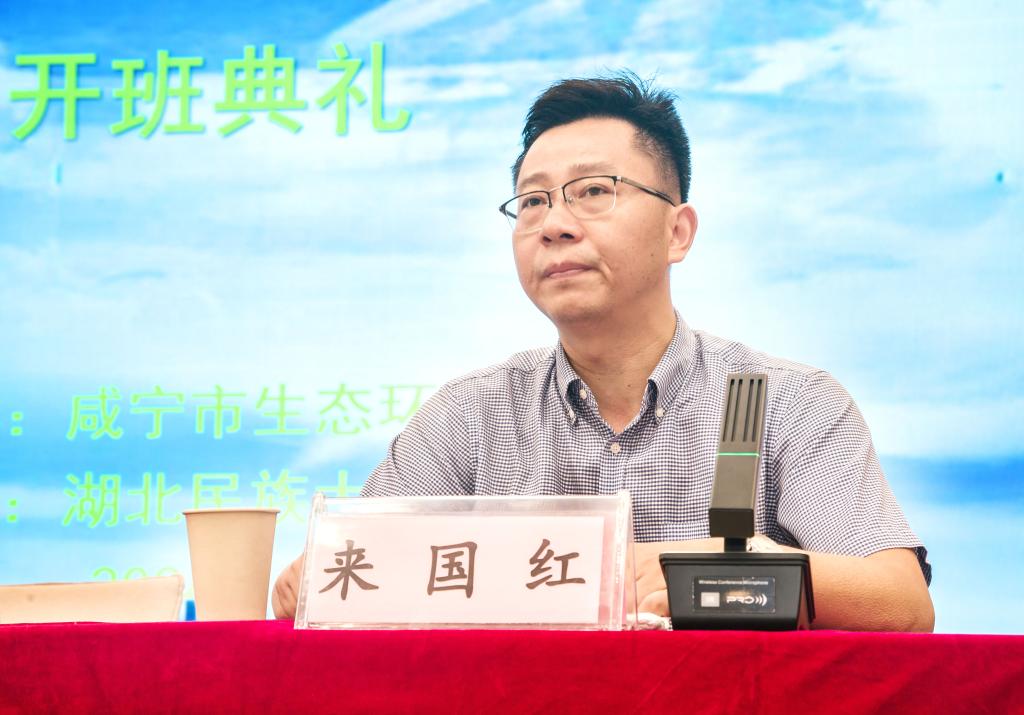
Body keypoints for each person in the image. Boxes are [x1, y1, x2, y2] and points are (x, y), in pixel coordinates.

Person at [273, 73, 933, 630]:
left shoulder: (786, 401)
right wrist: (312, 578)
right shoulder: (471, 415)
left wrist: (731, 568)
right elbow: (341, 577)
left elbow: (902, 604)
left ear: (678, 232)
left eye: (593, 190)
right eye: (532, 201)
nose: (555, 224)